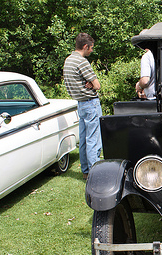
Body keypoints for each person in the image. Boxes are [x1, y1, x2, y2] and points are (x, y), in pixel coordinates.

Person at [63, 33, 102, 180]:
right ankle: (95, 173)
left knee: (84, 139)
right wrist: (91, 84)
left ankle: (86, 171)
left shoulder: (69, 60)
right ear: (85, 46)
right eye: (91, 48)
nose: (91, 51)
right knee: (93, 139)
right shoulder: (82, 61)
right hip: (90, 103)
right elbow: (97, 85)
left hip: (80, 104)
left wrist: (88, 83)